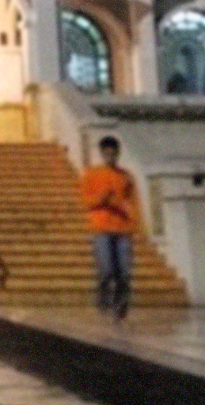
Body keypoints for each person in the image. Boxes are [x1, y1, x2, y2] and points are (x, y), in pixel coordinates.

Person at [81, 135, 138, 320]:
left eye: (114, 154)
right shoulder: (92, 174)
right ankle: (104, 301)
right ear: (102, 154)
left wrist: (135, 224)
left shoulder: (126, 176)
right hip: (101, 228)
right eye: (107, 154)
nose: (111, 157)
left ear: (118, 153)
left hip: (122, 228)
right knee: (106, 270)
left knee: (124, 271)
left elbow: (133, 202)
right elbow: (86, 202)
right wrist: (102, 199)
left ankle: (121, 304)